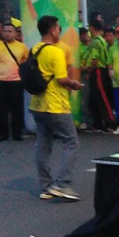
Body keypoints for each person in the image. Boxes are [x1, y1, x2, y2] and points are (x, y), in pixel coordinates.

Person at [30, 15, 84, 201]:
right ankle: (62, 184)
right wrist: (74, 84)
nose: (60, 31)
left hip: (37, 104)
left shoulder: (35, 49)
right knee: (71, 141)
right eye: (59, 28)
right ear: (52, 30)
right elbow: (62, 79)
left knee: (43, 145)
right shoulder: (56, 52)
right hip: (55, 104)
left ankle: (47, 186)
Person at [0, 22, 28, 141]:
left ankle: (17, 133)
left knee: (17, 108)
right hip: (0, 81)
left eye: (10, 31)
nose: (7, 33)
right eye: (5, 31)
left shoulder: (22, 47)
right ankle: (2, 133)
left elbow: (25, 64)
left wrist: (25, 79)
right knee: (0, 108)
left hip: (16, 81)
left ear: (15, 33)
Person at [84, 15, 116, 132]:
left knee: (102, 98)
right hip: (102, 71)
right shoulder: (102, 40)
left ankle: (111, 122)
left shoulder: (95, 42)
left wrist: (88, 70)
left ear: (92, 28)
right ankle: (97, 123)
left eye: (89, 27)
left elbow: (95, 60)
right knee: (95, 98)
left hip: (98, 71)